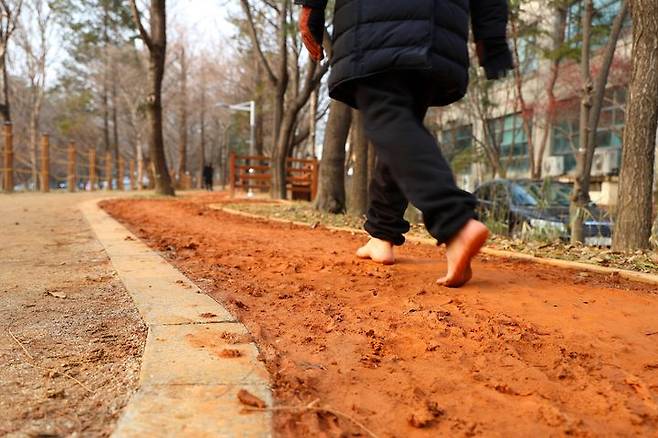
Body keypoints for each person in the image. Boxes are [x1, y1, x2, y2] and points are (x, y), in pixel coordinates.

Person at [296, 0, 513, 287]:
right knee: (399, 120)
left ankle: (454, 221)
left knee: (387, 117)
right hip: (440, 26)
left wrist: (311, 6)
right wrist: (492, 36)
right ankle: (381, 234)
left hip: (375, 20)